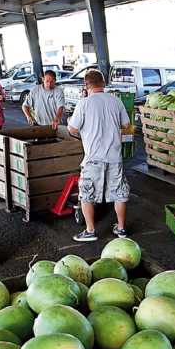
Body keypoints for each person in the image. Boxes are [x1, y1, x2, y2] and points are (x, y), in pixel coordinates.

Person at [67, 70, 131, 242]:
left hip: (93, 158)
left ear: (86, 85)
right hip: (114, 157)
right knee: (119, 193)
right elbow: (126, 125)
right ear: (103, 83)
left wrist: (70, 120)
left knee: (86, 194)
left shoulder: (83, 103)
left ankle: (91, 230)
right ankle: (121, 229)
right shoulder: (116, 101)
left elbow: (73, 129)